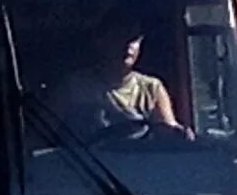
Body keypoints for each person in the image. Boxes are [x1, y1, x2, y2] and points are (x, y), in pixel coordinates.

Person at [52, 15, 189, 138]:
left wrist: (181, 134)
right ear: (100, 41)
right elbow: (40, 135)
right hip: (85, 164)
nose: (128, 45)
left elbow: (168, 132)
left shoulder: (152, 88)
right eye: (119, 37)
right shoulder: (74, 87)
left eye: (133, 39)